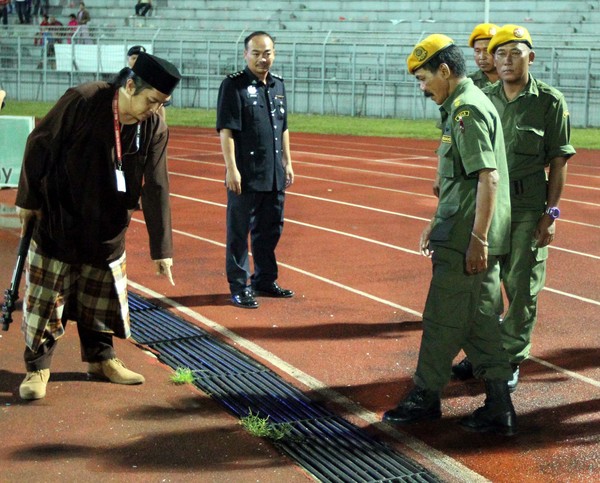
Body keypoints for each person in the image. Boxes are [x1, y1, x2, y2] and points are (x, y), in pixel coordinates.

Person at [15, 52, 181, 400]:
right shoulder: (84, 100)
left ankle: (101, 359)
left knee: (101, 297)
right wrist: (28, 201)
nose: (155, 109)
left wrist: (161, 248)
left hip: (109, 225)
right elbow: (38, 144)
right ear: (130, 85)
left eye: (162, 103)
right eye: (152, 101)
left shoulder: (154, 124)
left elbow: (157, 182)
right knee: (46, 299)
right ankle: (38, 367)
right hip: (61, 217)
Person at [383, 34, 517, 435]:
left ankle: (425, 397)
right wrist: (435, 221)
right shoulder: (464, 105)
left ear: (444, 70)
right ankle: (499, 407)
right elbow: (460, 183)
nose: (422, 88)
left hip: (466, 240)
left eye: (424, 78)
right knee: (480, 323)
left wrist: (477, 240)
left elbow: (487, 178)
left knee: (441, 319)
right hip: (463, 230)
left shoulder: (466, 111)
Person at [451, 25, 576, 392]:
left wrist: (551, 213)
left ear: (530, 57)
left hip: (526, 207)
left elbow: (559, 160)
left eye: (515, 53)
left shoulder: (550, 101)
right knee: (482, 287)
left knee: (521, 287)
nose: (506, 60)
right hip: (489, 208)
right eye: (500, 53)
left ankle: (510, 358)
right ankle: (484, 354)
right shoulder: (482, 97)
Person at [216, 31, 295, 309]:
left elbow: (283, 127)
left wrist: (287, 161)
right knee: (238, 232)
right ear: (246, 55)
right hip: (246, 173)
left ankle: (264, 280)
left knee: (270, 228)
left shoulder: (278, 85)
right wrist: (231, 169)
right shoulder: (233, 86)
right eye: (257, 53)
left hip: (273, 173)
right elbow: (226, 131)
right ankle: (239, 286)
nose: (263, 59)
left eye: (268, 53)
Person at [467, 23, 499, 89]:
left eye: (487, 51)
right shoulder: (469, 83)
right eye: (477, 51)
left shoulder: (513, 80)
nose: (481, 57)